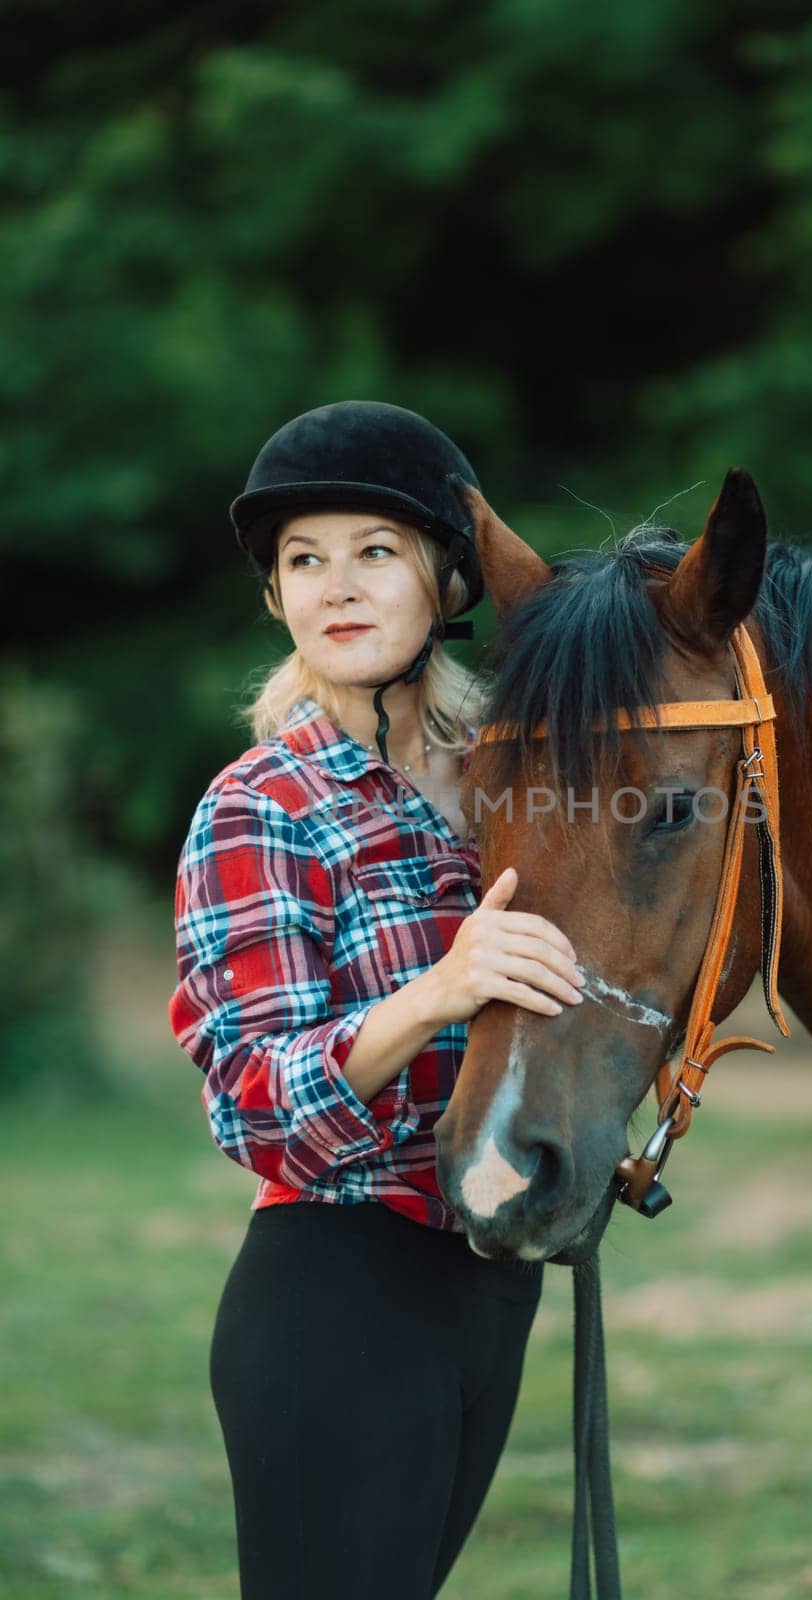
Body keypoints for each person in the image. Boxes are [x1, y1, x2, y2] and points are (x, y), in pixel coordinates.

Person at [167, 401, 587, 1599]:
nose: (335, 586)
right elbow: (254, 1099)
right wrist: (436, 989)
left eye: (372, 551)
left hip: (489, 1277)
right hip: (337, 1288)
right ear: (275, 598)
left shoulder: (510, 779)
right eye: (304, 560)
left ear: (441, 579)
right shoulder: (262, 804)